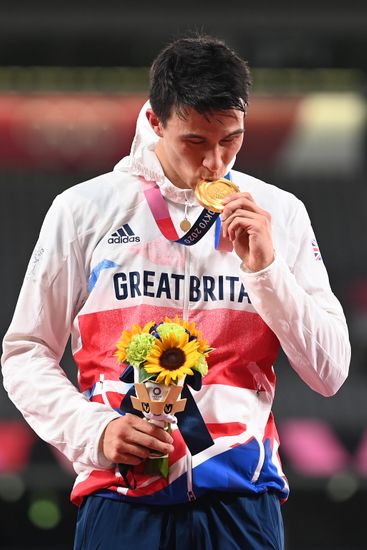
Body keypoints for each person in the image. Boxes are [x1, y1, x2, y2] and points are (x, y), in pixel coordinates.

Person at [1, 35, 350, 550]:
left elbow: (330, 373)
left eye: (231, 139)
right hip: (120, 495)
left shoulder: (281, 213)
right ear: (155, 122)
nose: (215, 163)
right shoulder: (84, 210)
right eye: (196, 142)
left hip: (244, 503)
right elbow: (24, 353)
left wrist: (267, 271)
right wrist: (93, 432)